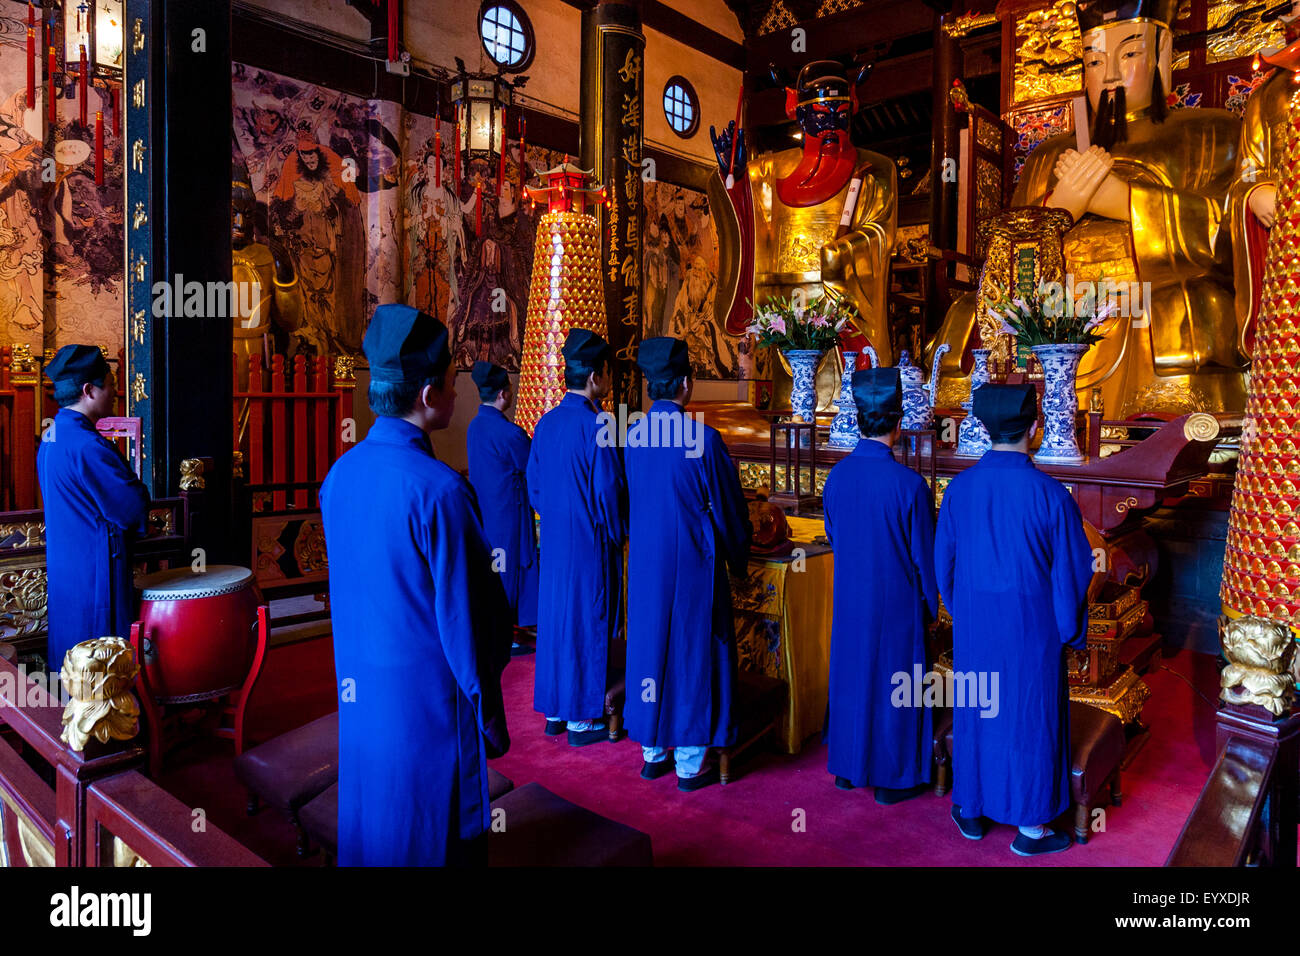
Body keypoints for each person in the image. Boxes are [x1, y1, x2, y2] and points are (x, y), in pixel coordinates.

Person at [320, 304, 510, 866]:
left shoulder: (340, 475)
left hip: (361, 689)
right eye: (453, 383)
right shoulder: (440, 491)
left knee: (374, 817)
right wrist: (488, 714)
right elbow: (472, 621)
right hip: (424, 703)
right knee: (427, 827)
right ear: (428, 395)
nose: (458, 395)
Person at [934, 383, 1094, 856]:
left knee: (978, 710)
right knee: (1027, 716)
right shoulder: (1051, 495)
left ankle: (970, 807)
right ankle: (1031, 827)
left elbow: (944, 564)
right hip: (1032, 628)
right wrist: (1069, 630)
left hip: (977, 625)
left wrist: (962, 612)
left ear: (983, 428)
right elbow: (1072, 572)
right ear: (1035, 426)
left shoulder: (959, 489)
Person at [622, 337, 751, 790]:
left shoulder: (632, 436)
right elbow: (729, 509)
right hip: (692, 565)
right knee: (691, 653)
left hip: (644, 565)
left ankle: (653, 750)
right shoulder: (702, 439)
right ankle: (690, 762)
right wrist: (740, 554)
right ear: (685, 384)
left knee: (650, 648)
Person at [822, 367, 937, 803]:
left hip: (851, 598)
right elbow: (924, 559)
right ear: (899, 419)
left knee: (852, 676)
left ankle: (848, 767)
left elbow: (834, 534)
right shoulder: (909, 485)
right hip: (895, 603)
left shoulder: (837, 477)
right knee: (895, 684)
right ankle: (892, 778)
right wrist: (930, 605)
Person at [526, 329, 627, 746]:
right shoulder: (598, 423)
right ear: (595, 376)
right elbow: (608, 490)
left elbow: (532, 482)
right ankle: (582, 721)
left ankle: (554, 711)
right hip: (588, 542)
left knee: (555, 620)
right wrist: (618, 531)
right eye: (607, 373)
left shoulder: (546, 423)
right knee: (587, 621)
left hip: (554, 540)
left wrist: (554, 516)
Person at [37, 345, 151, 672]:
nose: (115, 392)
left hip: (67, 570)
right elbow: (130, 506)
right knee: (102, 662)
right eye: (110, 384)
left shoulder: (53, 435)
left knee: (74, 660)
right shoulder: (88, 445)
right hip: (96, 572)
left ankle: (75, 721)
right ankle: (109, 723)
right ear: (89, 390)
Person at [466, 360, 539, 650]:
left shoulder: (475, 426)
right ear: (501, 394)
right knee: (510, 568)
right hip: (509, 511)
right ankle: (505, 630)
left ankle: (501, 626)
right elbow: (533, 464)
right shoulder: (509, 433)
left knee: (495, 568)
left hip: (485, 509)